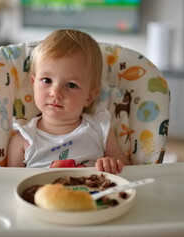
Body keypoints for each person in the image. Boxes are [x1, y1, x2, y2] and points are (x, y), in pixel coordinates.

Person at [7, 29, 131, 174]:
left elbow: (129, 172)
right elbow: (9, 185)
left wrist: (112, 164)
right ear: (33, 83)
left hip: (92, 194)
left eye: (71, 85)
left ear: (89, 97)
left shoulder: (99, 129)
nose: (56, 93)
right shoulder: (23, 140)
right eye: (47, 80)